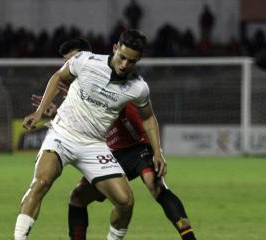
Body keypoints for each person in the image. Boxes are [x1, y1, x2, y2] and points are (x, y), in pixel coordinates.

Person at [33, 38, 198, 240]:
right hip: (110, 153)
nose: (68, 66)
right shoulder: (78, 87)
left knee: (155, 185)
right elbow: (84, 120)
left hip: (137, 147)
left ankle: (189, 237)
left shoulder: (113, 79)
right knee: (77, 197)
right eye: (66, 62)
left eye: (72, 59)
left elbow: (132, 114)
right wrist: (56, 113)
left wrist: (157, 151)